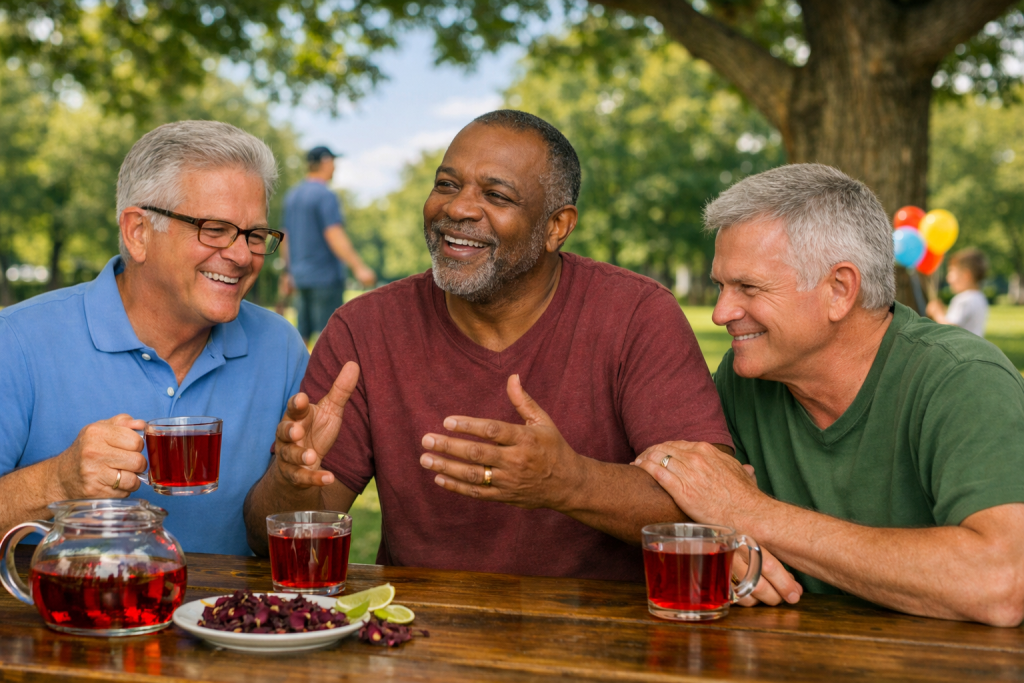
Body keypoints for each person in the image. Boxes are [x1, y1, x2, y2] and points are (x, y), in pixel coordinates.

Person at [244, 110, 789, 588]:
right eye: (446, 184)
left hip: (603, 640)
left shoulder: (636, 315)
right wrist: (292, 482)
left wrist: (569, 482)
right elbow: (277, 541)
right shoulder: (365, 327)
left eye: (497, 195)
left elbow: (714, 511)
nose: (458, 208)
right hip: (421, 640)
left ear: (557, 226)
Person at [634, 164, 1024, 626]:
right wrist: (722, 533)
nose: (721, 312)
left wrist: (750, 514)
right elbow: (701, 501)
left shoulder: (962, 380)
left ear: (839, 289)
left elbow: (1002, 583)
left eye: (749, 287)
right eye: (721, 286)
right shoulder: (744, 380)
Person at [0, 121, 309, 555]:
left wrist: (292, 480)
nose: (241, 256)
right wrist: (57, 480)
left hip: (225, 620)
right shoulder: (15, 340)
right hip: (61, 616)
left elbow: (281, 539)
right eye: (214, 229)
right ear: (138, 233)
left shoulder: (280, 348)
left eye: (255, 235)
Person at [280, 146, 377, 342]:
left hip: (300, 278)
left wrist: (287, 273)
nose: (335, 168)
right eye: (333, 162)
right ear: (325, 162)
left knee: (302, 336)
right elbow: (334, 234)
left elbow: (285, 237)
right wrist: (359, 267)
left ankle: (300, 373)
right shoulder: (325, 195)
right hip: (325, 278)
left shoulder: (292, 197)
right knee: (332, 339)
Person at [926, 247, 989, 337]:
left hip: (960, 350)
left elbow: (951, 328)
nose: (948, 279)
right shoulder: (979, 297)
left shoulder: (963, 299)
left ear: (966, 275)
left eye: (951, 272)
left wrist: (937, 314)